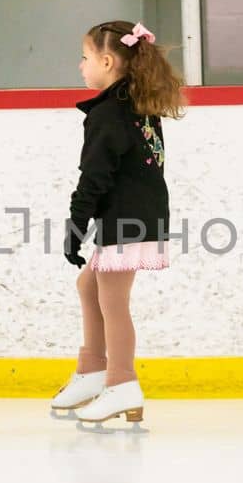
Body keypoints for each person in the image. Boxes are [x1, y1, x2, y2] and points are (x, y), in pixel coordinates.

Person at [51, 21, 186, 428]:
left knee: (112, 302)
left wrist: (75, 227)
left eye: (86, 57)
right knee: (88, 285)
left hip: (129, 220)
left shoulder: (108, 114)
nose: (81, 66)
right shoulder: (136, 105)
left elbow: (94, 177)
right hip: (137, 215)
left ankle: (122, 382)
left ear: (108, 61)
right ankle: (93, 369)